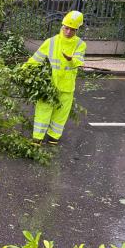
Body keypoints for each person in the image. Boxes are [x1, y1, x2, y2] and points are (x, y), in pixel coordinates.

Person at [25, 10, 87, 146]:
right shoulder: (51, 42)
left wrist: (71, 60)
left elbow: (79, 61)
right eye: (66, 28)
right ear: (62, 26)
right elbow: (36, 59)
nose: (68, 32)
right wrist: (24, 71)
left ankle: (54, 137)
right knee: (43, 111)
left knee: (61, 113)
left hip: (67, 86)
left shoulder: (80, 44)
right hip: (49, 85)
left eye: (72, 29)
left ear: (77, 29)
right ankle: (37, 138)